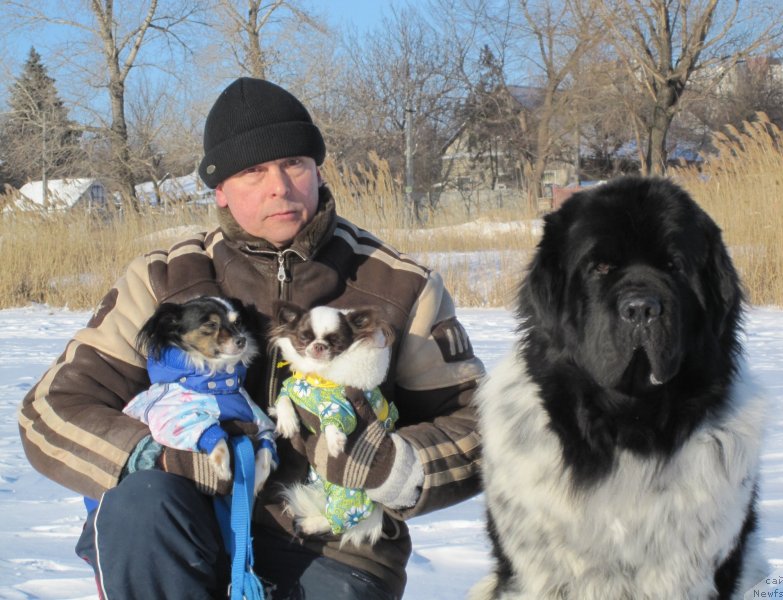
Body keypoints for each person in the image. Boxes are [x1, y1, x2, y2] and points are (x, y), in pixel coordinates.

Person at [18, 77, 485, 600]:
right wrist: (157, 458)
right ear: (219, 189)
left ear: (316, 170)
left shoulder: (400, 285)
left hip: (333, 546)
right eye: (252, 171)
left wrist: (395, 466)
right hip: (179, 527)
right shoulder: (164, 279)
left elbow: (484, 427)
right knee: (140, 500)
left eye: (295, 164)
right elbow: (49, 410)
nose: (279, 187)